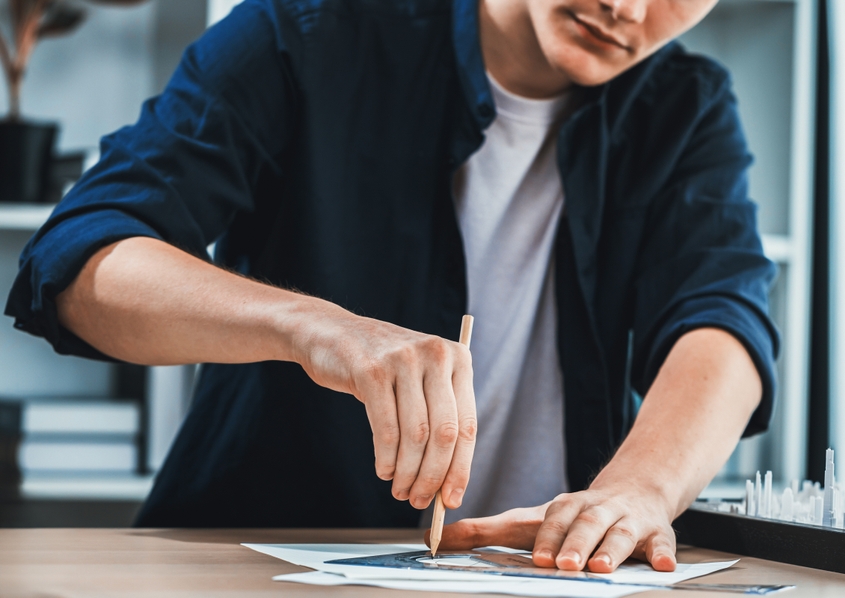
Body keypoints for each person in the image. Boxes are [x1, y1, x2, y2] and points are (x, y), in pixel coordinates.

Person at [5, 0, 778, 574]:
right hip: (260, 568)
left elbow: (723, 323)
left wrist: (642, 489)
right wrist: (315, 329)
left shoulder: (690, 106)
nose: (629, 9)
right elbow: (79, 259)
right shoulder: (307, 29)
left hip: (553, 577)